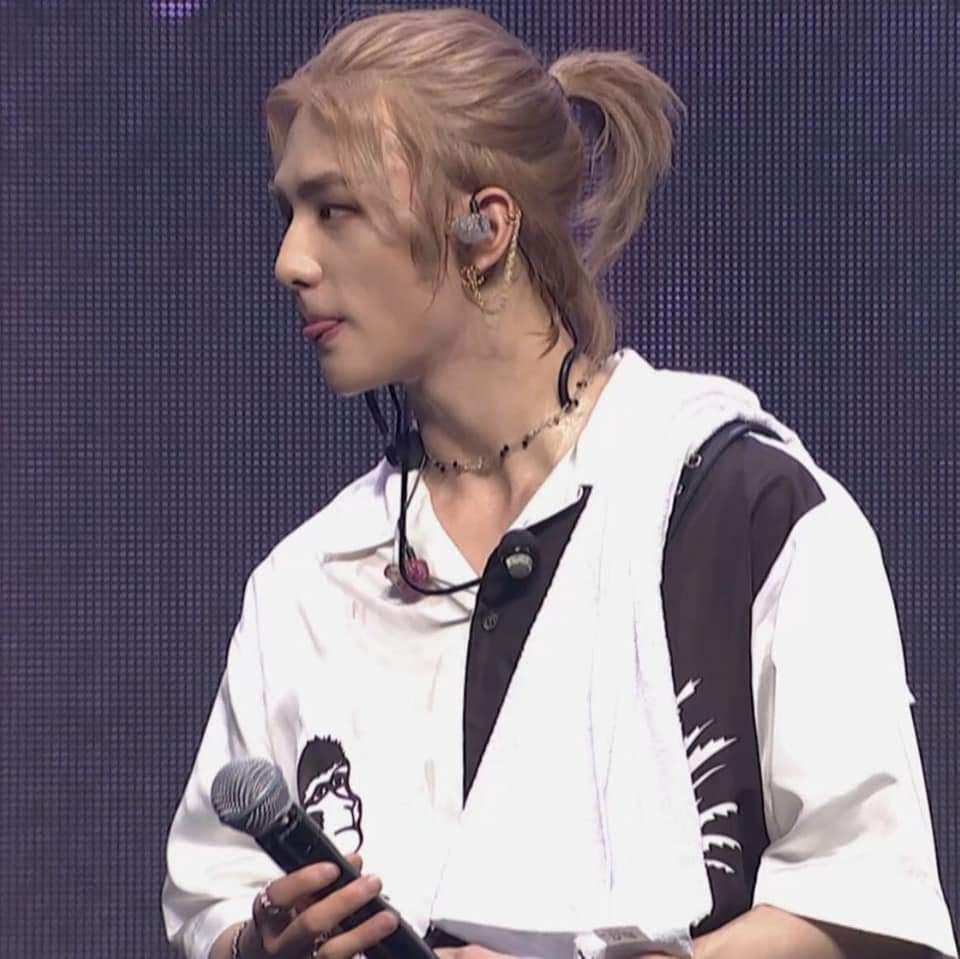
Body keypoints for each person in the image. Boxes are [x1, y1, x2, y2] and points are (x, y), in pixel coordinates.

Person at [162, 8, 958, 959]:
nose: (290, 260)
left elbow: (864, 899)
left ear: (483, 229)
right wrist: (258, 945)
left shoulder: (744, 508)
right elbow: (211, 903)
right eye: (288, 214)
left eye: (334, 210)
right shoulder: (307, 584)